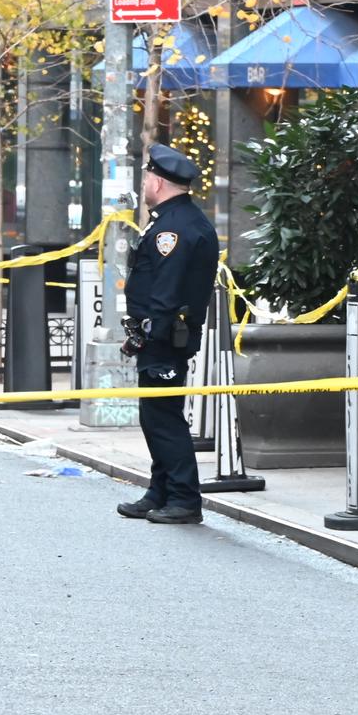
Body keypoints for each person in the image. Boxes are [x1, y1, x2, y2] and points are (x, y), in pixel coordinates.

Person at [115, 144, 221, 526]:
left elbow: (167, 290)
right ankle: (160, 491)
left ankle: (184, 498)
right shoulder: (175, 219)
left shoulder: (174, 228)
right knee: (155, 416)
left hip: (165, 337)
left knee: (164, 418)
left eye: (146, 177)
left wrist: (147, 334)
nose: (144, 183)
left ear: (158, 182)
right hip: (161, 334)